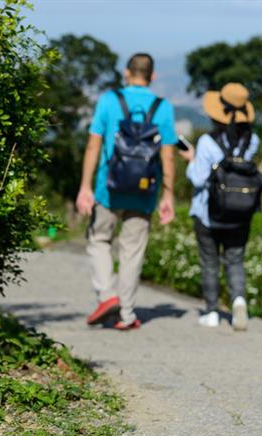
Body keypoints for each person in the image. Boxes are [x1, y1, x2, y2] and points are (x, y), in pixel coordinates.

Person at [77, 53, 177, 330]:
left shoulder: (109, 100)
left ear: (126, 72)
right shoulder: (163, 107)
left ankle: (107, 296)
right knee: (132, 250)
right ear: (152, 76)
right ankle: (127, 314)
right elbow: (168, 156)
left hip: (107, 188)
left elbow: (93, 146)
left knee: (99, 240)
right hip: (145, 190)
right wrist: (168, 195)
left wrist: (85, 187)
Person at [179, 82, 259, 330]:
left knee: (210, 262)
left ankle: (212, 312)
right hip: (241, 212)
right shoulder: (253, 140)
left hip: (208, 212)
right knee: (235, 260)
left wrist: (191, 160)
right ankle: (238, 301)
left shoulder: (206, 142)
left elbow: (199, 179)